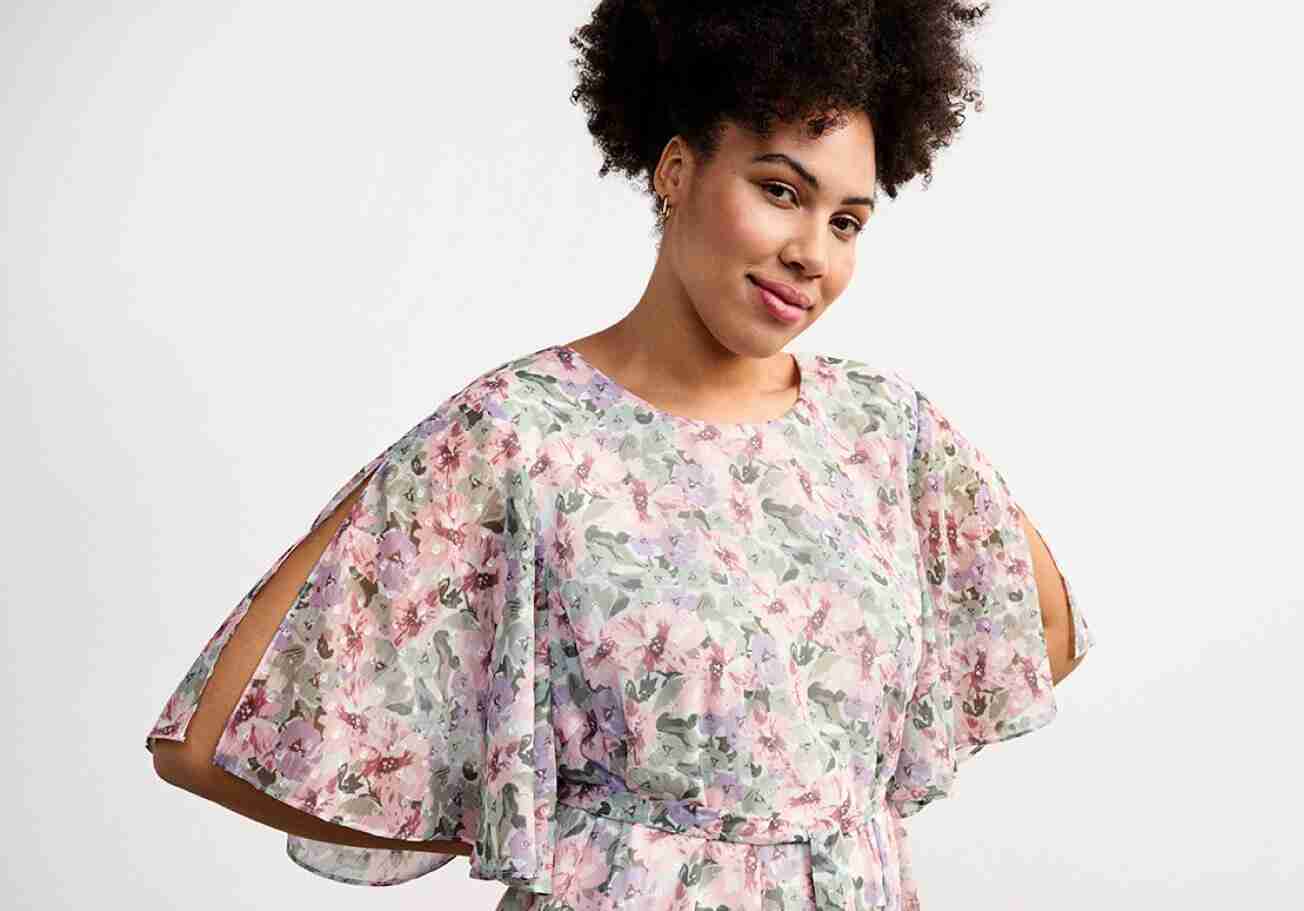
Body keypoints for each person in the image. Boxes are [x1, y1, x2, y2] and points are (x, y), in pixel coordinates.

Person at [145, 2, 1095, 909]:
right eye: (780, 191)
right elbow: (213, 733)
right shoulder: (520, 432)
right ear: (676, 171)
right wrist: (526, 816)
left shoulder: (883, 429)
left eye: (846, 221)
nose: (814, 252)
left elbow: (1034, 633)